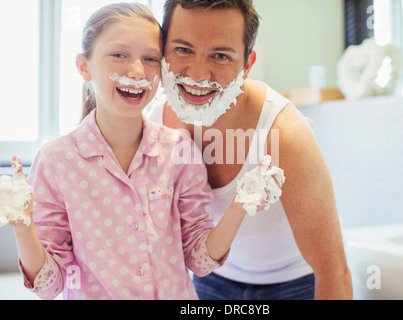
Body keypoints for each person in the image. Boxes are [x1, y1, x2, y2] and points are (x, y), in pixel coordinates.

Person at [6, 3, 267, 300]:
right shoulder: (56, 162)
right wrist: (23, 227)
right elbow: (48, 286)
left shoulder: (179, 150)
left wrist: (239, 207)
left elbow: (199, 261)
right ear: (84, 66)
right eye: (119, 55)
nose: (137, 71)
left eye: (151, 58)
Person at [148, 0, 353, 299]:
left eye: (220, 55)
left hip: (295, 283)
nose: (198, 74)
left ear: (247, 65)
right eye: (183, 49)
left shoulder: (283, 135)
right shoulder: (154, 124)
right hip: (212, 275)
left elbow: (334, 273)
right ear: (162, 50)